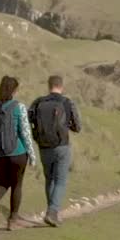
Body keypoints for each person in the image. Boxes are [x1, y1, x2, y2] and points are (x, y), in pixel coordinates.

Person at [0, 75, 37, 231]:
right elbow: (25, 133)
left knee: (3, 182)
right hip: (16, 153)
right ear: (14, 90)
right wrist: (32, 155)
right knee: (17, 184)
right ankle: (12, 220)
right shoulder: (19, 107)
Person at [28, 75, 82, 226]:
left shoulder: (38, 102)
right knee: (61, 180)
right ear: (61, 86)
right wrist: (67, 126)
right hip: (62, 146)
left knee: (49, 179)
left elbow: (28, 119)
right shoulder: (66, 102)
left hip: (43, 146)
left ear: (48, 85)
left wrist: (36, 136)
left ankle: (52, 211)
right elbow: (78, 127)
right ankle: (52, 212)